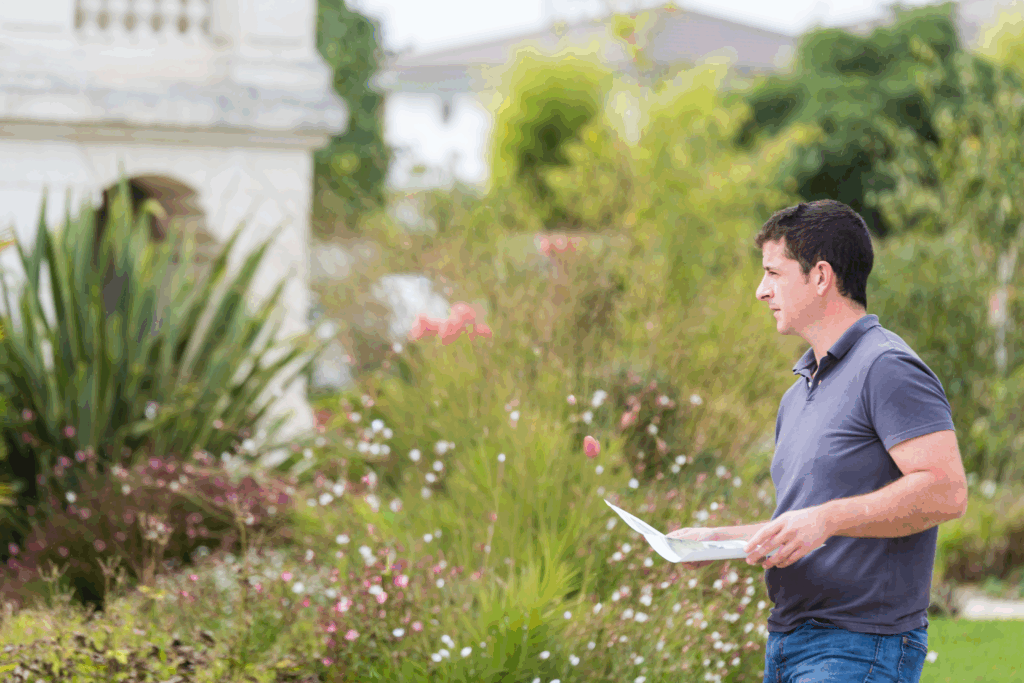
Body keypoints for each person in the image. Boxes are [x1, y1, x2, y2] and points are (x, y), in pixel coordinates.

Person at [667, 199, 968, 683]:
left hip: (860, 645)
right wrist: (715, 540)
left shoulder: (887, 366)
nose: (760, 291)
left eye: (773, 273)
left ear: (821, 275)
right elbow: (805, 522)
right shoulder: (800, 392)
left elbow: (946, 490)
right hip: (789, 643)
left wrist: (826, 520)